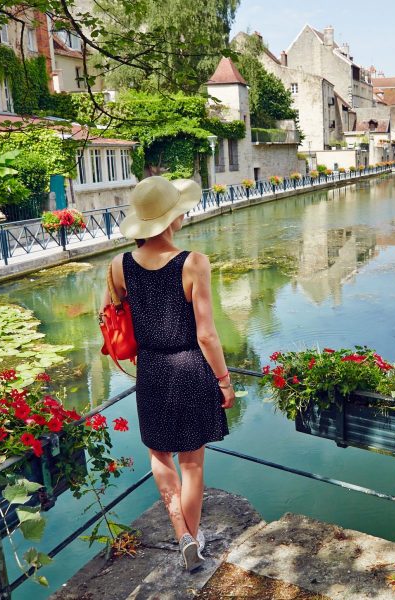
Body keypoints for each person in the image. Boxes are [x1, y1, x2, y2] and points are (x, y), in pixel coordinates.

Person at [103, 176, 233, 572]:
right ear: (172, 218)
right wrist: (224, 380)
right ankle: (192, 539)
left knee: (160, 454)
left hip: (152, 371)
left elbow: (116, 317)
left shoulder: (118, 265)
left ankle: (182, 536)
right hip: (190, 366)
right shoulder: (193, 262)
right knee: (192, 463)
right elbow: (207, 334)